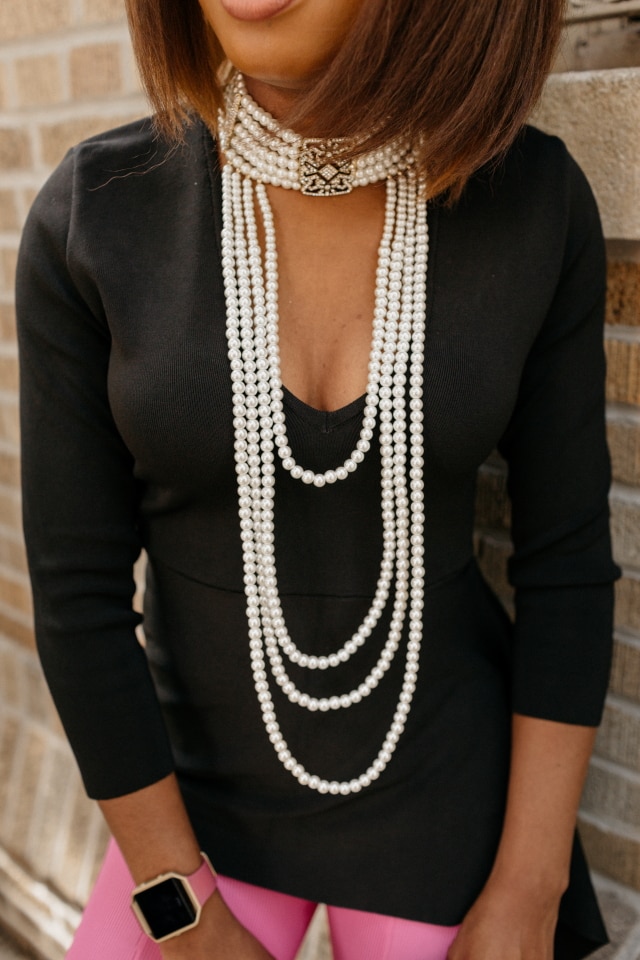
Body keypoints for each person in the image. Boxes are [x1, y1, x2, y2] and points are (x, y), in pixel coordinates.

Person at [16, 0, 620, 958]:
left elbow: (569, 568)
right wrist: (179, 912)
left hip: (446, 812)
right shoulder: (98, 212)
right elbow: (77, 598)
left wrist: (529, 890)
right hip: (190, 819)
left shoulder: (533, 203)